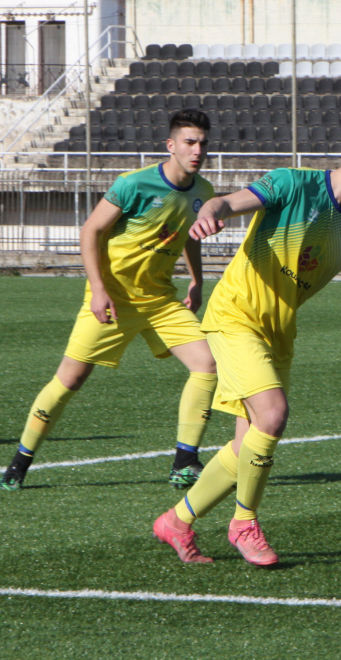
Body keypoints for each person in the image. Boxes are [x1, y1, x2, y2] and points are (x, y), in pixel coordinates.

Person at [152, 125, 341, 566]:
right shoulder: (294, 183)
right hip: (235, 317)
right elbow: (227, 203)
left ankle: (176, 522)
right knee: (272, 416)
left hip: (278, 332)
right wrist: (210, 212)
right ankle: (243, 522)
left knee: (246, 446)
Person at [1, 110, 217, 492]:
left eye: (202, 142)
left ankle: (185, 462)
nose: (197, 149)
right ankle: (19, 463)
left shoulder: (204, 192)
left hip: (160, 301)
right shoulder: (133, 184)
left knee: (207, 364)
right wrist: (98, 289)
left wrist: (197, 281)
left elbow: (190, 235)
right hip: (113, 298)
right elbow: (91, 230)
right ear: (171, 145)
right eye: (189, 141)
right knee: (70, 380)